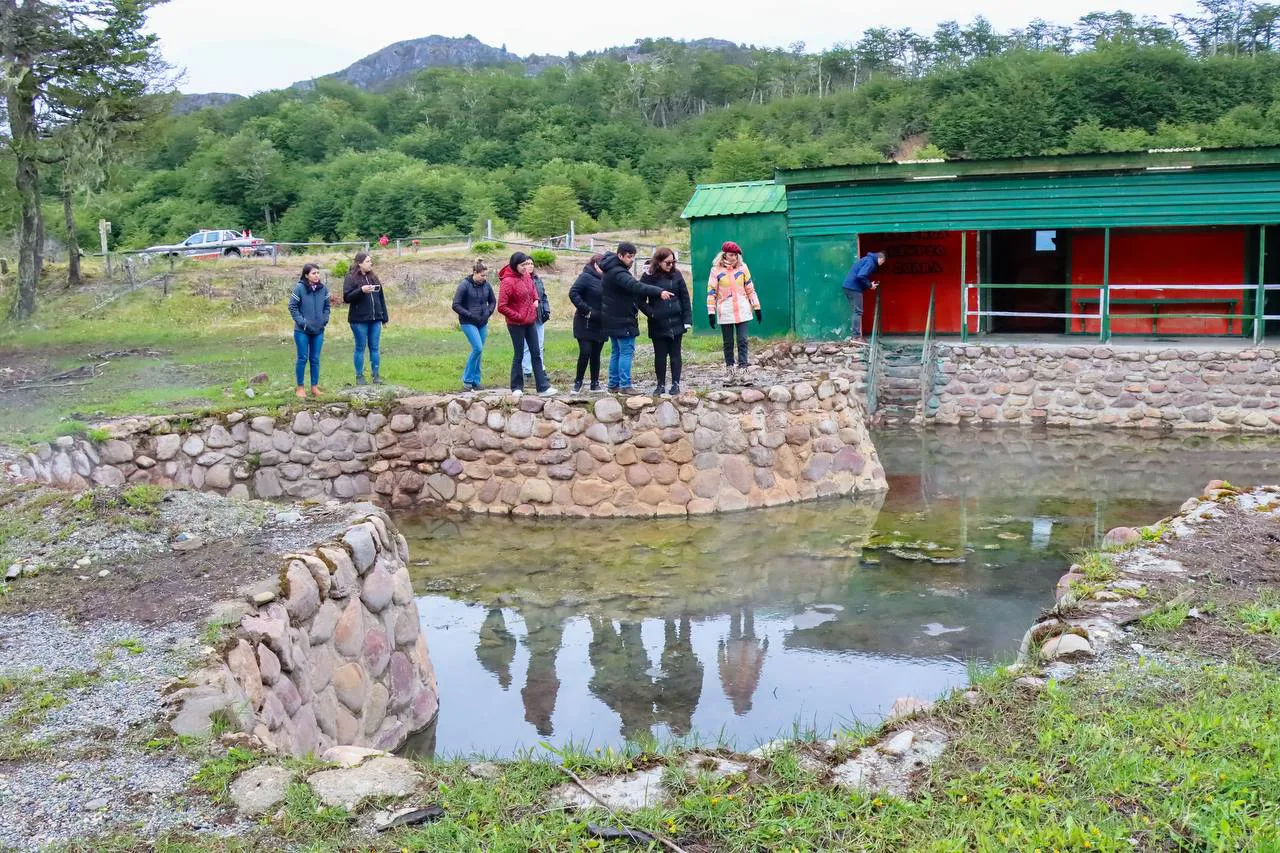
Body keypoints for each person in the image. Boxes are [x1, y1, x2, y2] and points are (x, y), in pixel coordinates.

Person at [600, 242, 674, 394]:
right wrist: (659, 291)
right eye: (628, 256)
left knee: (617, 351)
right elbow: (636, 287)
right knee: (626, 352)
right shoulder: (618, 272)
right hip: (622, 319)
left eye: (633, 256)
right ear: (619, 255)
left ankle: (613, 385)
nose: (631, 259)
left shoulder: (610, 269)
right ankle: (625, 386)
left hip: (612, 318)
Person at [497, 251, 558, 396]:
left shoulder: (526, 276)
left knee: (536, 353)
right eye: (522, 265)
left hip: (530, 321)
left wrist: (536, 300)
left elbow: (533, 290)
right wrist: (518, 316)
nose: (526, 268)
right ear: (515, 265)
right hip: (515, 324)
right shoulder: (507, 281)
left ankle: (543, 387)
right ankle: (516, 387)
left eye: (527, 264)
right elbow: (502, 306)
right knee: (519, 354)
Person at [640, 247, 692, 395]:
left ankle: (676, 383)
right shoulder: (648, 276)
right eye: (667, 262)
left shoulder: (677, 274)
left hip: (676, 320)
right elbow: (640, 299)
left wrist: (687, 319)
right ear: (659, 261)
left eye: (672, 262)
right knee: (660, 355)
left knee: (675, 355)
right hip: (658, 322)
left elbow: (685, 298)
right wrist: (652, 313)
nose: (670, 265)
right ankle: (660, 384)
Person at [707, 241, 761, 379]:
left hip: (742, 309)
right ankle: (730, 371)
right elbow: (711, 291)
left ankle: (743, 370)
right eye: (731, 255)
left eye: (736, 255)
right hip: (725, 310)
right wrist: (711, 312)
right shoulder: (716, 270)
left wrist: (757, 307)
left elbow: (750, 288)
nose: (734, 258)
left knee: (743, 340)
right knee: (728, 342)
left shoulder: (743, 268)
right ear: (724, 255)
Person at [343, 250, 389, 386]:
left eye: (370, 261)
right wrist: (360, 291)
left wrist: (384, 317)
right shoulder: (350, 278)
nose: (371, 264)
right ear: (360, 263)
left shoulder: (374, 277)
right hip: (358, 320)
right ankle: (359, 376)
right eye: (368, 261)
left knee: (375, 347)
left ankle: (376, 375)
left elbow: (381, 297)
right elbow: (346, 297)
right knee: (360, 347)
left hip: (375, 319)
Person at [452, 259, 497, 391]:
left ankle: (476, 381)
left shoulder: (486, 285)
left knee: (480, 352)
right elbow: (455, 305)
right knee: (477, 348)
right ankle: (467, 380)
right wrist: (470, 315)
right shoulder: (464, 285)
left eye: (486, 275)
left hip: (483, 322)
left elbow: (493, 301)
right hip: (468, 322)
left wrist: (488, 313)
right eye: (482, 275)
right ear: (475, 273)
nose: (485, 278)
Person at [288, 263, 329, 398]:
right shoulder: (299, 288)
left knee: (315, 359)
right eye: (313, 273)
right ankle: (300, 387)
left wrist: (324, 319)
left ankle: (314, 387)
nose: (317, 275)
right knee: (302, 358)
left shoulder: (323, 289)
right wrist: (303, 323)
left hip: (318, 330)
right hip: (302, 331)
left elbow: (327, 307)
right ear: (306, 275)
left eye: (318, 273)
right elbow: (292, 307)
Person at [569, 254, 607, 392]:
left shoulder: (607, 279)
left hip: (601, 322)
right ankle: (578, 382)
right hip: (584, 321)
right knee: (585, 352)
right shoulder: (585, 277)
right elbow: (573, 293)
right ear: (595, 264)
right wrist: (586, 310)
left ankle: (594, 383)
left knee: (596, 353)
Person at [842, 250, 885, 342]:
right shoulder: (871, 262)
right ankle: (856, 337)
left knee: (855, 311)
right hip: (854, 288)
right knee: (858, 311)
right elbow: (861, 275)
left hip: (848, 286)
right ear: (880, 258)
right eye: (882, 262)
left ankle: (855, 335)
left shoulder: (867, 259)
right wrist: (870, 285)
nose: (881, 264)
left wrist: (869, 284)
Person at [520, 268, 550, 378]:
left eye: (532, 264)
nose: (530, 266)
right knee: (527, 345)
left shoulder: (537, 279)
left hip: (539, 316)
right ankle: (527, 370)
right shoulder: (520, 280)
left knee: (540, 344)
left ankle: (540, 369)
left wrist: (546, 310)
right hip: (526, 317)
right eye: (527, 264)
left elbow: (543, 297)